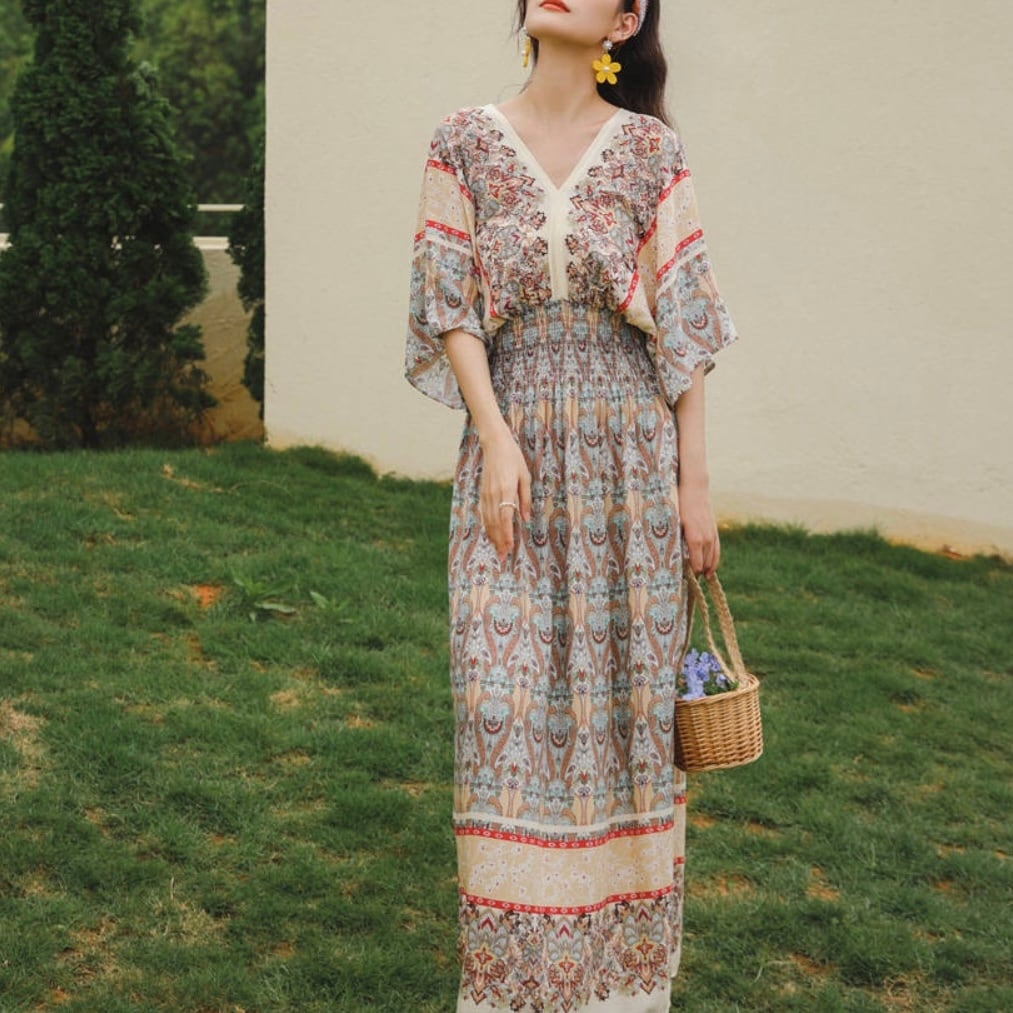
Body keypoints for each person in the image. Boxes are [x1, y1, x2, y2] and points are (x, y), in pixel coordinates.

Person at [404, 1, 740, 1009]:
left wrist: (692, 486)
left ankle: (617, 992)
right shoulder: (461, 140)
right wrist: (494, 433)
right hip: (509, 459)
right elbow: (448, 301)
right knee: (498, 713)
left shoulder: (649, 152)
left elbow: (683, 326)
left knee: (625, 729)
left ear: (625, 19)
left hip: (629, 468)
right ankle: (512, 985)